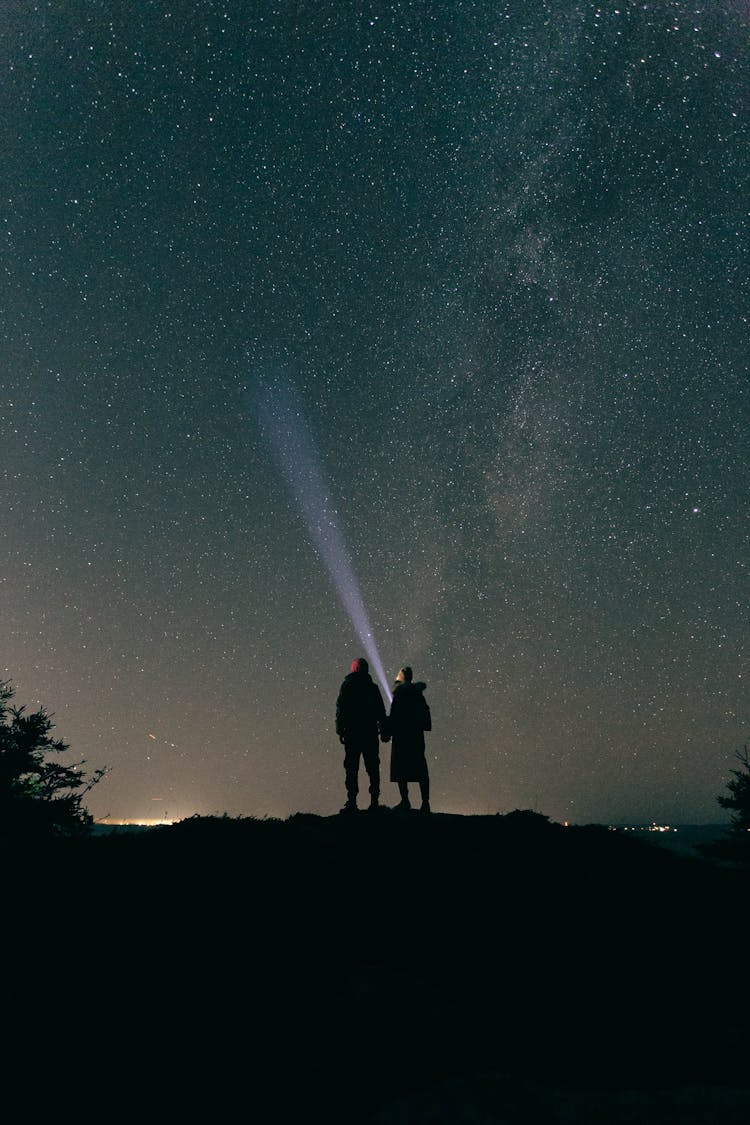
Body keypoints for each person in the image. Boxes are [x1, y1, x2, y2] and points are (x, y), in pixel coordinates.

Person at [335, 657, 389, 813]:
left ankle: (352, 801)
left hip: (352, 733)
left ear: (355, 669)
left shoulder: (347, 686)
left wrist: (340, 729)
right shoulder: (373, 688)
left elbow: (341, 708)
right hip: (370, 733)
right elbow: (381, 711)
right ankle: (374, 802)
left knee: (352, 768)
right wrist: (384, 730)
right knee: (372, 767)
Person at [389, 666, 432, 813]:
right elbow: (426, 713)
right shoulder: (418, 694)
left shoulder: (399, 694)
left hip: (401, 736)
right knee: (420, 768)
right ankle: (425, 803)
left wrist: (387, 732)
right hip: (416, 736)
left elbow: (394, 714)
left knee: (400, 768)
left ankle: (405, 801)